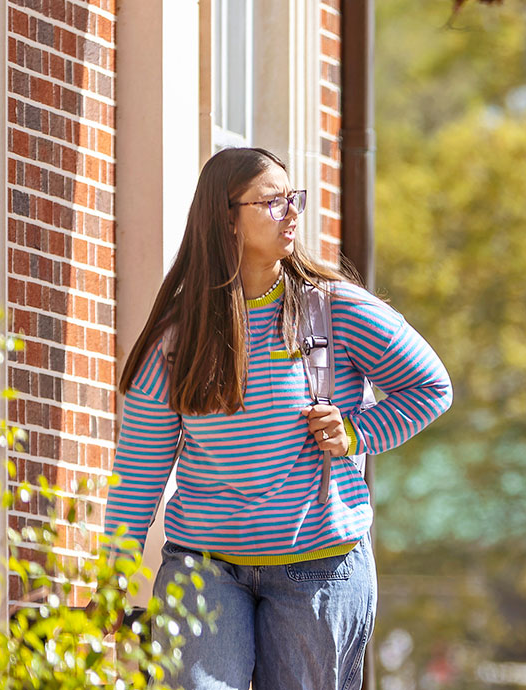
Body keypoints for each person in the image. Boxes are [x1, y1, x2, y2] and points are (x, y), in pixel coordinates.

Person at [105, 147, 453, 689]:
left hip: (319, 569)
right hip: (205, 565)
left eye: (293, 199)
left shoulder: (335, 309)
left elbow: (431, 387)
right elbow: (140, 469)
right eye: (271, 202)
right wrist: (113, 575)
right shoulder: (179, 336)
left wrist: (357, 432)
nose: (291, 213)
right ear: (226, 218)